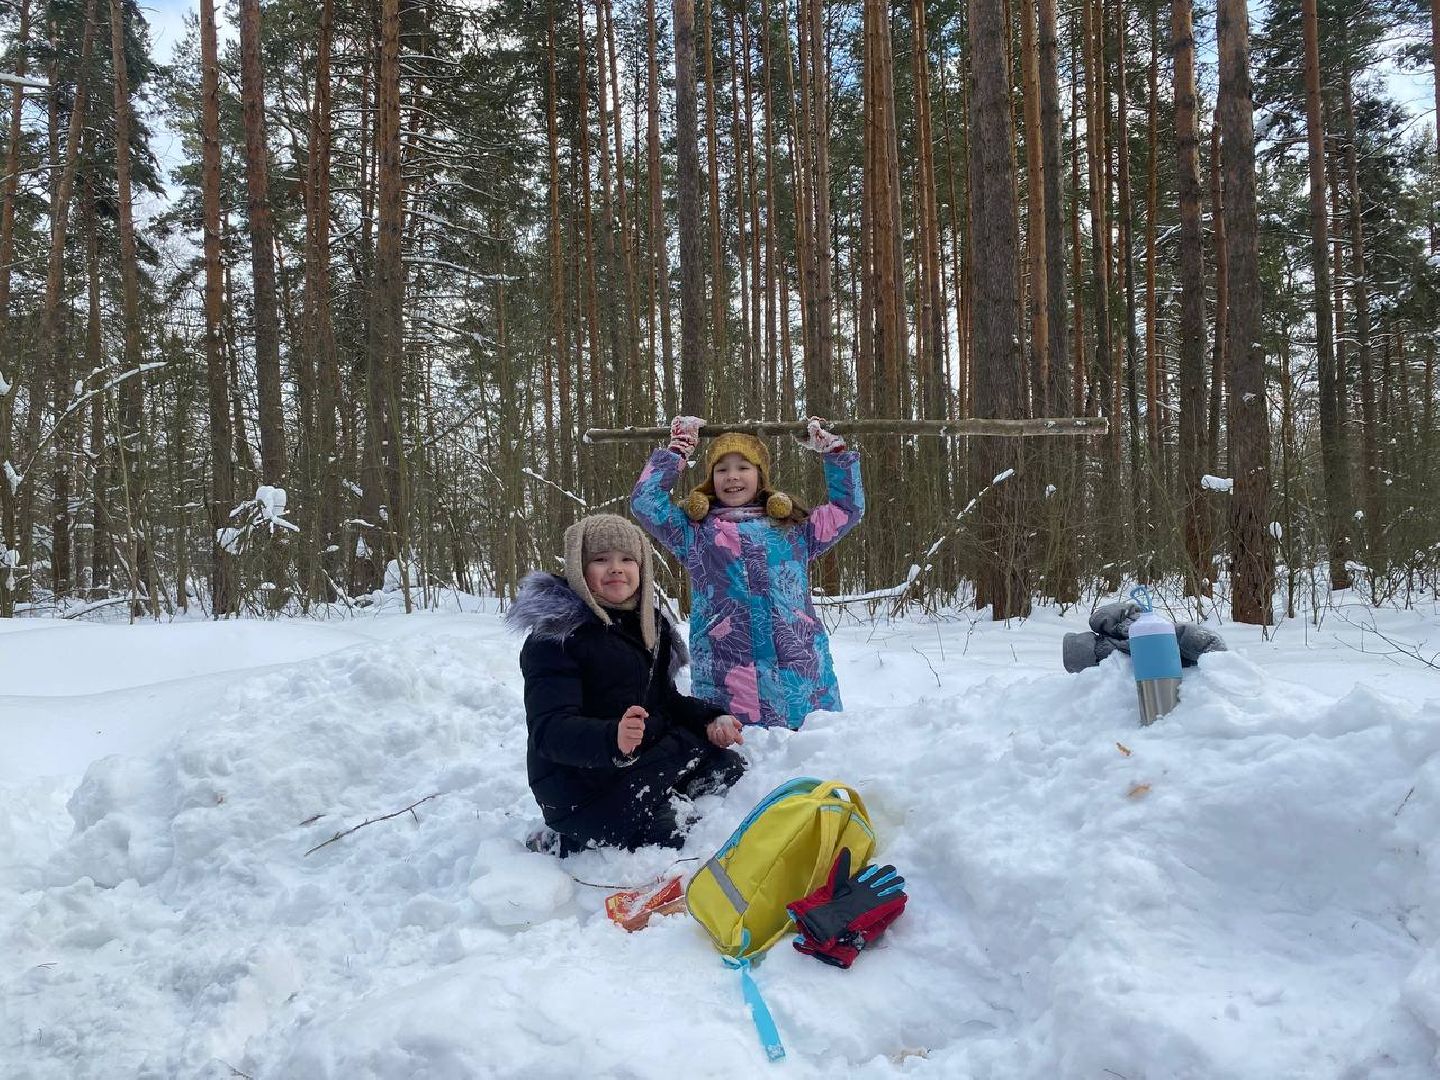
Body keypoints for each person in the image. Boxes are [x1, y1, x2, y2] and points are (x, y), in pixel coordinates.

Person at [506, 513, 746, 856]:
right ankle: (565, 839)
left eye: (626, 559)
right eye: (601, 560)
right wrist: (611, 738)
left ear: (642, 568)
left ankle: (666, 797)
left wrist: (710, 718)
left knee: (729, 769)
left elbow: (666, 699)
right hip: (581, 787)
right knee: (674, 832)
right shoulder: (555, 636)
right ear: (579, 569)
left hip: (640, 761)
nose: (616, 568)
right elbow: (549, 731)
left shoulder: (648, 625)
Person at [630, 416, 864, 730]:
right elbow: (645, 502)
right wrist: (678, 451)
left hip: (801, 678)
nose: (732, 476)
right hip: (726, 679)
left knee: (814, 754)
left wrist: (834, 454)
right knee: (745, 764)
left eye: (743, 467)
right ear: (711, 478)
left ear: (760, 475)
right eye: (721, 469)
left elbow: (848, 509)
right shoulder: (694, 532)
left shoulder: (795, 528)